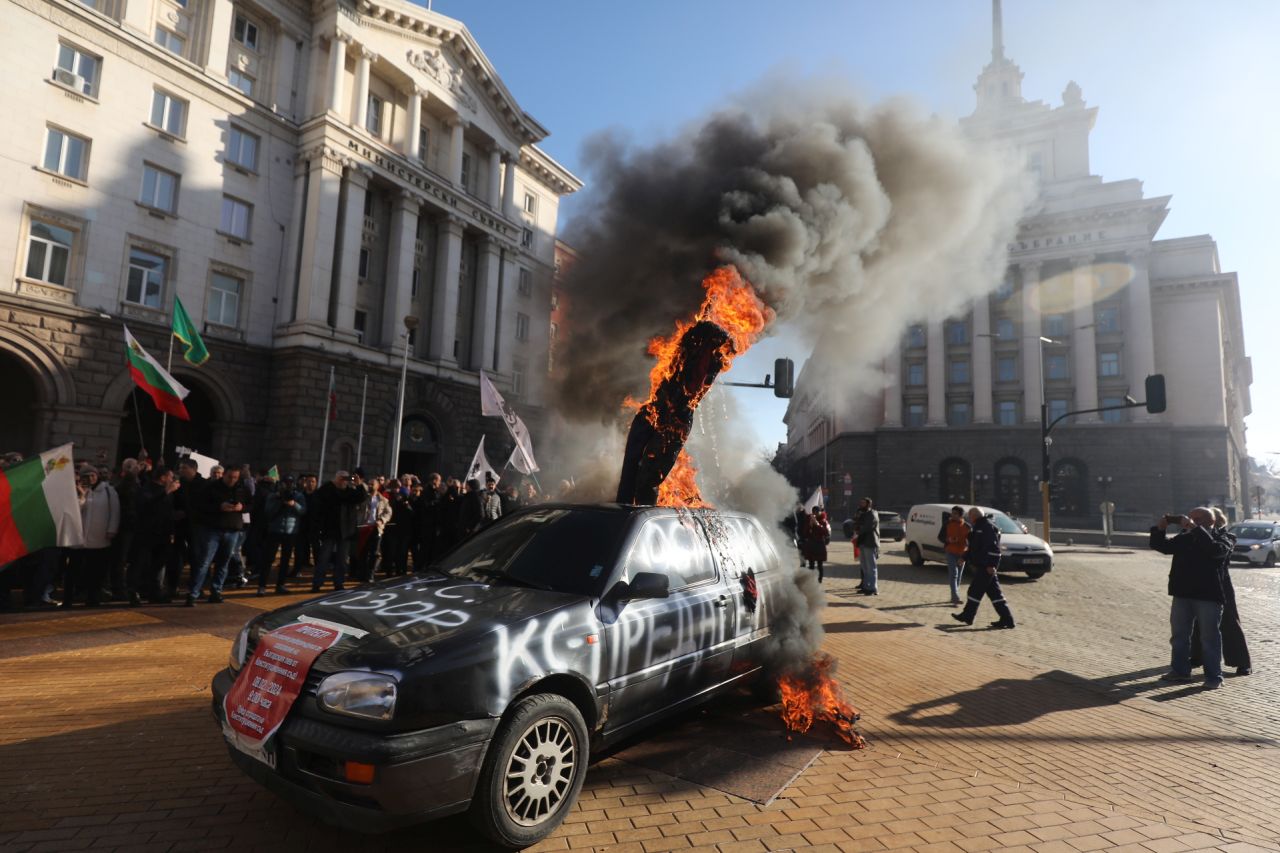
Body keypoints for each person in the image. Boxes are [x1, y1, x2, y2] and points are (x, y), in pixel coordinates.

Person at [1150, 507, 1230, 688]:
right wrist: (1160, 529)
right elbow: (1162, 547)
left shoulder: (1223, 537)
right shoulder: (1185, 537)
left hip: (1208, 596)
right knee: (1179, 636)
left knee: (1209, 638)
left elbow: (1214, 551)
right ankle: (1180, 672)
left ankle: (1214, 677)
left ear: (1211, 521)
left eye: (1198, 519)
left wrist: (1195, 529)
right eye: (1190, 518)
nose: (1191, 522)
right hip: (1182, 593)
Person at [187, 464, 250, 606]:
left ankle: (216, 591)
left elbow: (251, 504)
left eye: (235, 477)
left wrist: (242, 507)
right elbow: (199, 506)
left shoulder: (241, 489)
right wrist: (219, 507)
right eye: (229, 477)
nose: (232, 480)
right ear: (224, 475)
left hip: (233, 529)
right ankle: (193, 593)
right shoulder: (211, 487)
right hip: (213, 529)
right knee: (204, 562)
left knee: (224, 563)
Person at [63, 465, 120, 608]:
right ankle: (68, 599)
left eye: (92, 475)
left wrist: (112, 529)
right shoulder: (76, 491)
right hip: (79, 540)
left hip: (99, 539)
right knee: (73, 571)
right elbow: (74, 510)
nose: (90, 478)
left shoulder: (108, 490)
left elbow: (115, 511)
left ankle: (93, 599)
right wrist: (81, 495)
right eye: (86, 476)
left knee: (96, 572)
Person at [952, 507, 1015, 629]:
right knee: (995, 595)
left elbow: (994, 549)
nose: (968, 518)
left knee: (974, 591)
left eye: (969, 516)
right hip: (984, 565)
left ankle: (968, 616)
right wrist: (964, 557)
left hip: (986, 566)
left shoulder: (985, 527)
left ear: (974, 516)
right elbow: (974, 548)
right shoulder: (979, 527)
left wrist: (991, 565)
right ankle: (1007, 619)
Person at [311, 470, 369, 592]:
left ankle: (339, 583)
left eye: (347, 479)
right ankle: (317, 583)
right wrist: (334, 482)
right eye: (342, 478)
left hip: (346, 532)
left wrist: (358, 484)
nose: (345, 481)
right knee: (323, 558)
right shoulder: (328, 489)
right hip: (329, 530)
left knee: (342, 560)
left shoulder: (350, 492)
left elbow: (362, 497)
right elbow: (318, 500)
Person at [129, 466, 178, 604]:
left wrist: (171, 532)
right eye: (170, 477)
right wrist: (166, 492)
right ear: (163, 478)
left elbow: (168, 513)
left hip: (162, 534)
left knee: (157, 564)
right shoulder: (146, 489)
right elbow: (147, 505)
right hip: (146, 533)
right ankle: (133, 592)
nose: (172, 480)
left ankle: (153, 592)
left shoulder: (167, 492)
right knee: (139, 563)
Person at [261, 476, 306, 595]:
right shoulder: (273, 496)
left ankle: (280, 585)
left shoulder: (298, 496)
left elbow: (303, 511)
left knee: (286, 560)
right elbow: (268, 512)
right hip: (274, 531)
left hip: (291, 531)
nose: (288, 486)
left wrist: (293, 504)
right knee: (268, 559)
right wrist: (280, 502)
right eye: (285, 483)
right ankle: (262, 586)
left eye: (290, 483)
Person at [940, 505, 970, 605]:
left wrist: (967, 544)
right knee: (954, 574)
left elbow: (972, 541)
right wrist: (948, 540)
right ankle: (955, 597)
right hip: (950, 552)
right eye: (952, 513)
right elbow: (940, 536)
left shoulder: (967, 526)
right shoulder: (947, 524)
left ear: (961, 515)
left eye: (955, 514)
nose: (952, 515)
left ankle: (954, 595)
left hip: (962, 553)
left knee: (959, 576)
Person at [853, 497, 880, 596]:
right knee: (864, 566)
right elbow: (856, 523)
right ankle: (865, 586)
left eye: (863, 503)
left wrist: (858, 529)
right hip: (862, 542)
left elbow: (868, 527)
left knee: (871, 566)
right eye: (861, 502)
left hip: (870, 542)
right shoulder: (862, 513)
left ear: (869, 504)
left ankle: (873, 587)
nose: (861, 504)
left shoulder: (872, 514)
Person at [800, 508, 830, 582]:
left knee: (820, 564)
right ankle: (811, 580)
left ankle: (819, 580)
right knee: (811, 564)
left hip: (819, 545)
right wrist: (810, 525)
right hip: (811, 544)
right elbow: (805, 534)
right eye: (814, 512)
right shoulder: (809, 520)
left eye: (817, 512)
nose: (815, 513)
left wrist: (817, 525)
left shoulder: (823, 521)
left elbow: (826, 532)